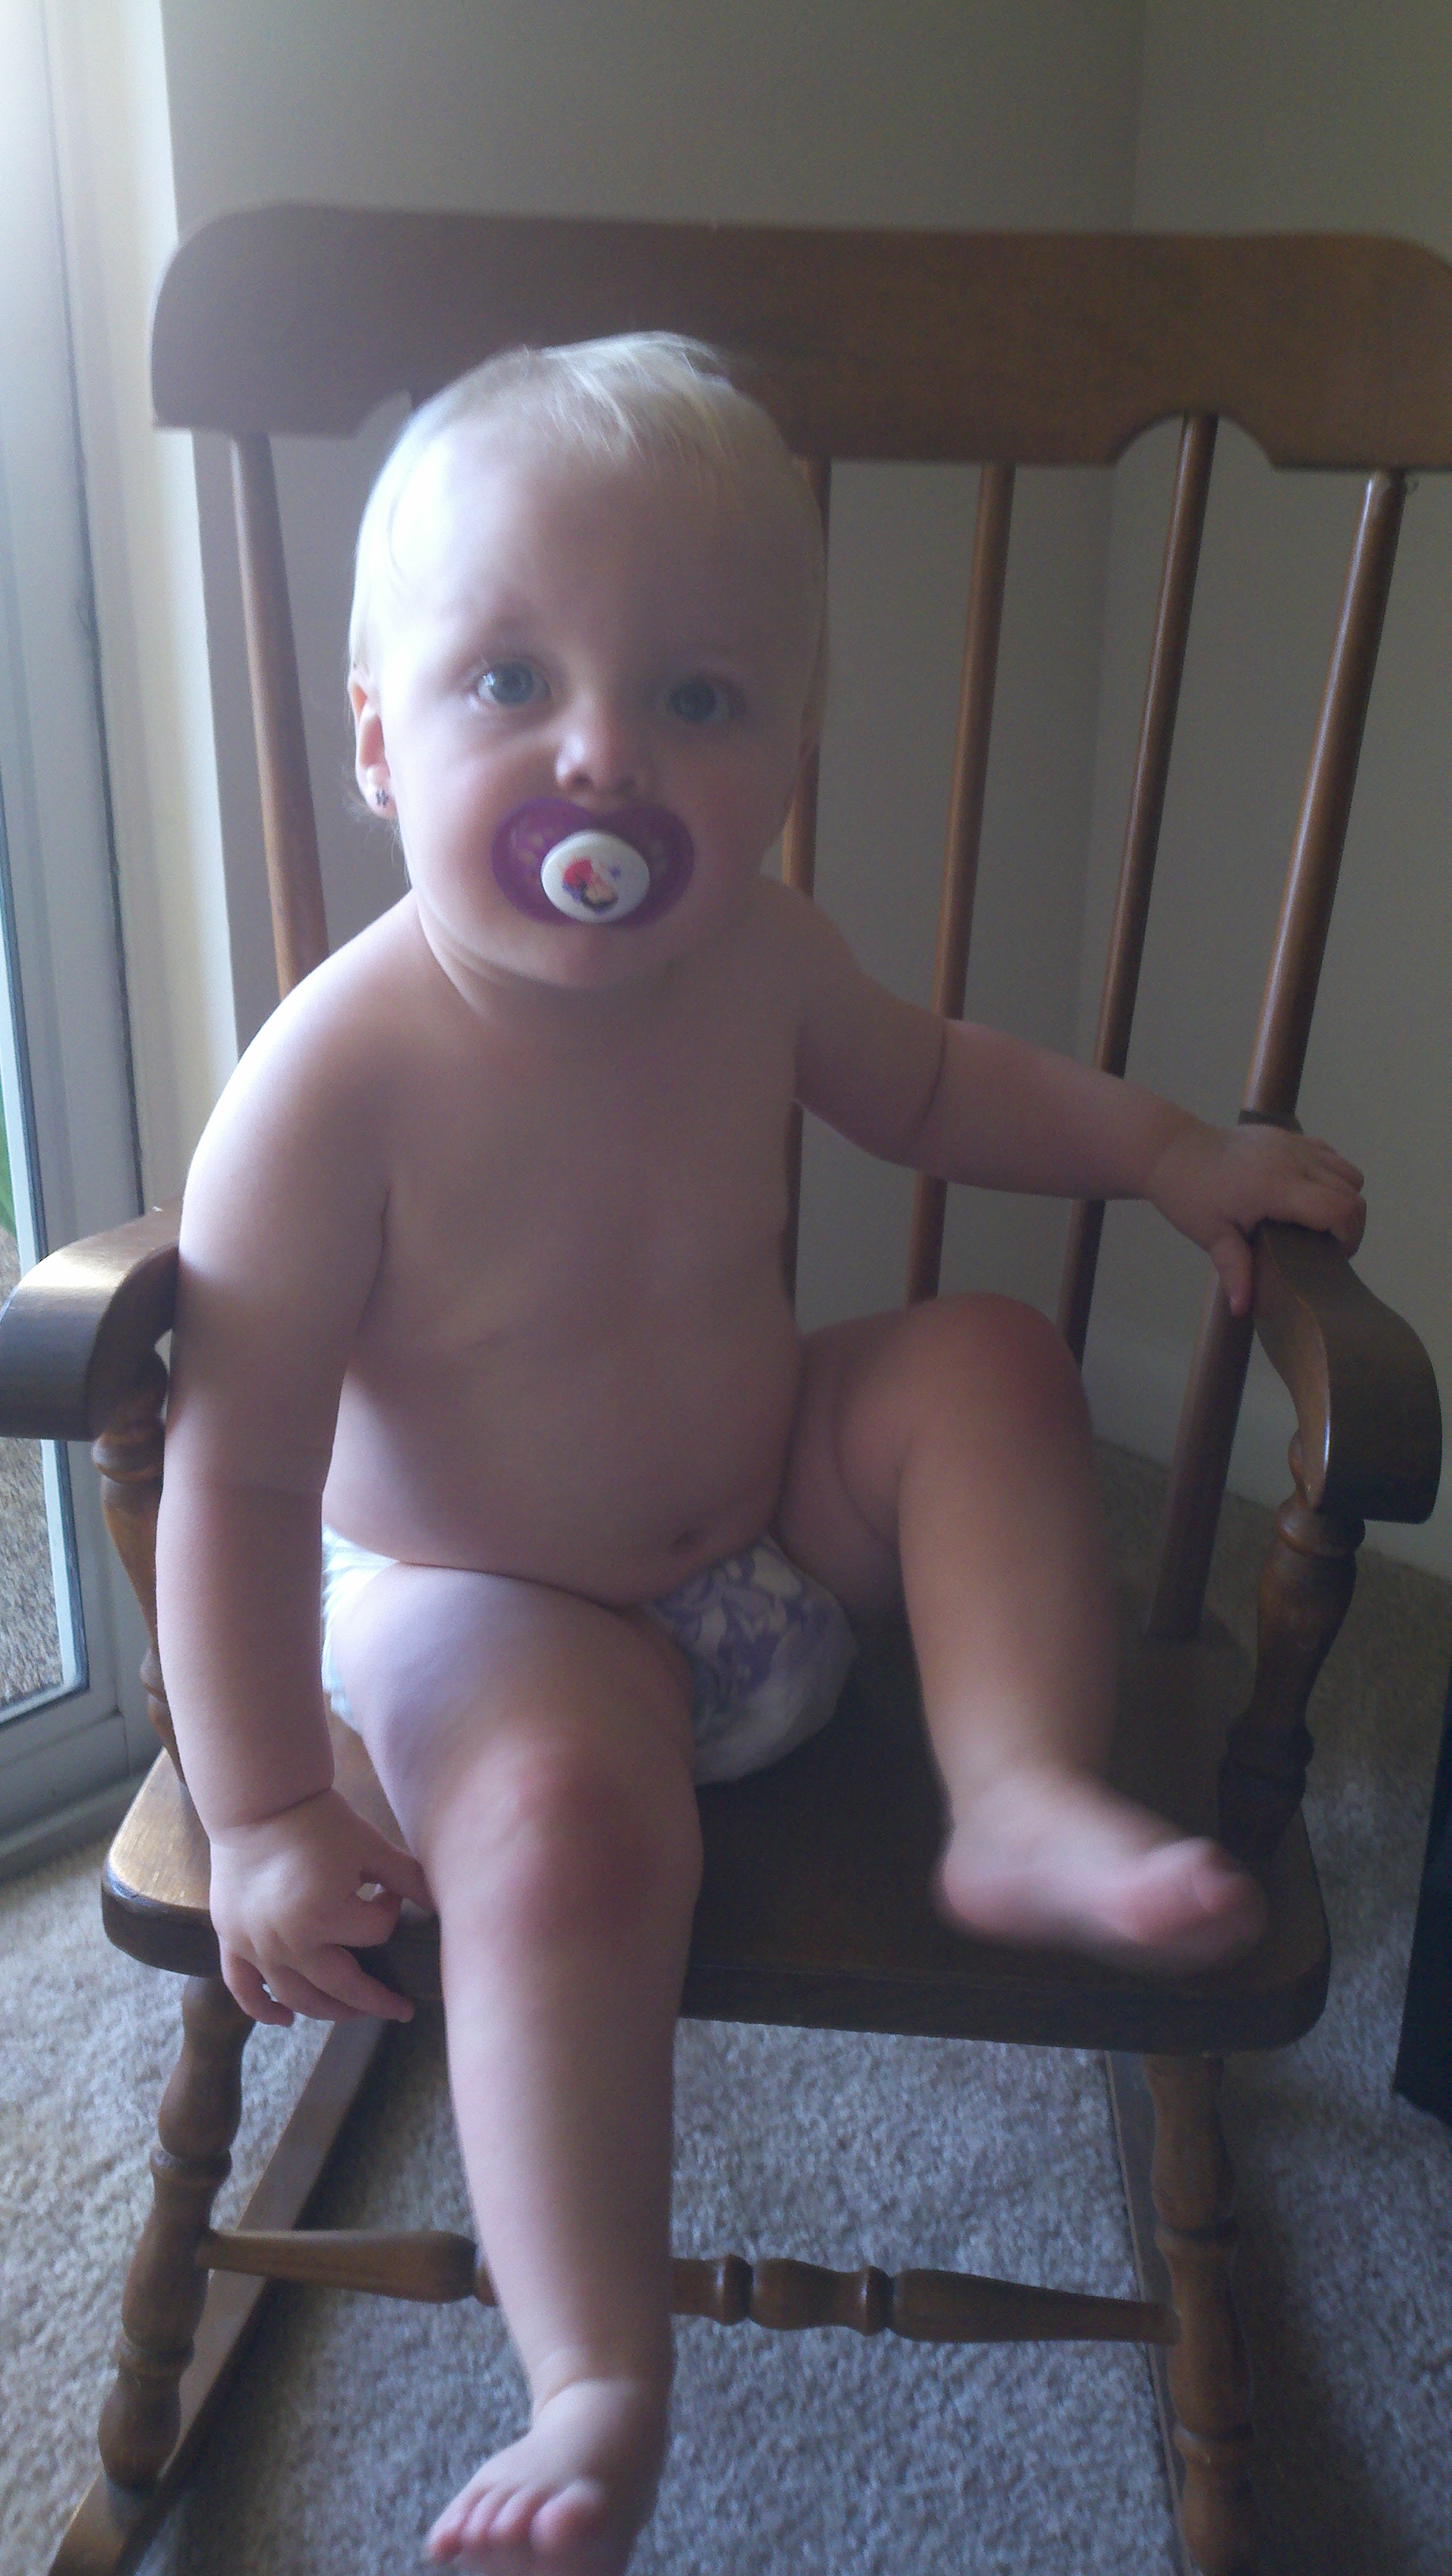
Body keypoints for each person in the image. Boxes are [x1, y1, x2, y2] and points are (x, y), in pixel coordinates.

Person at [155, 334, 1366, 2573]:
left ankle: (1018, 1795)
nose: (603, 753)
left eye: (696, 698)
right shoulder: (333, 1085)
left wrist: (1170, 1154)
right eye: (508, 678)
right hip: (478, 1605)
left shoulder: (763, 960)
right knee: (557, 1833)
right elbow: (230, 1482)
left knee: (985, 1359)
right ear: (379, 741)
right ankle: (597, 2375)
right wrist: (259, 1813)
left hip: (761, 1532)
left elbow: (946, 1087)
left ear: (787, 763)